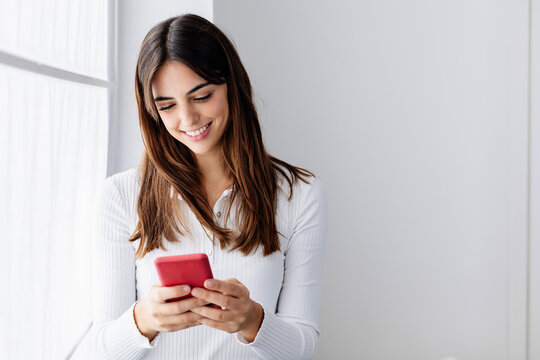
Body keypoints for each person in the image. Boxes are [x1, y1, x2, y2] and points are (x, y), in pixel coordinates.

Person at [72, 13, 327, 360]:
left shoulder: (299, 194)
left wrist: (253, 320)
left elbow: (304, 349)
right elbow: (97, 353)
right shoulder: (120, 196)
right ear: (153, 113)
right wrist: (145, 319)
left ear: (232, 85)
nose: (188, 120)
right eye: (167, 106)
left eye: (202, 96)